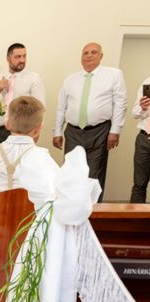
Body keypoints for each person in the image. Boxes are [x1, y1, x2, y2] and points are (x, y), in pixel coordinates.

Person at [53, 42, 127, 201]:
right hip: (73, 132)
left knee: (94, 175)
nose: (89, 55)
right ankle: (70, 211)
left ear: (101, 56)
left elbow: (121, 103)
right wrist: (57, 131)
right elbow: (61, 107)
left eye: (94, 52)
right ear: (81, 58)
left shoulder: (114, 75)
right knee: (71, 175)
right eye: (85, 53)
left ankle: (95, 214)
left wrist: (115, 130)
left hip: (100, 131)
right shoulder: (70, 79)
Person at [0, 96, 47, 194]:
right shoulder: (41, 155)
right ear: (38, 129)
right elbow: (54, 187)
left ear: (7, 124)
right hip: (25, 209)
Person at [0, 43, 46, 144]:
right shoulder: (0, 78)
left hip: (24, 133)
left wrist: (37, 131)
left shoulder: (33, 78)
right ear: (8, 58)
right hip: (1, 132)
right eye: (17, 57)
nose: (22, 60)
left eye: (24, 56)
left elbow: (41, 108)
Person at [130, 77, 150, 203]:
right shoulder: (148, 82)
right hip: (144, 139)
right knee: (139, 184)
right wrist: (143, 108)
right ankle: (134, 221)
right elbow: (135, 113)